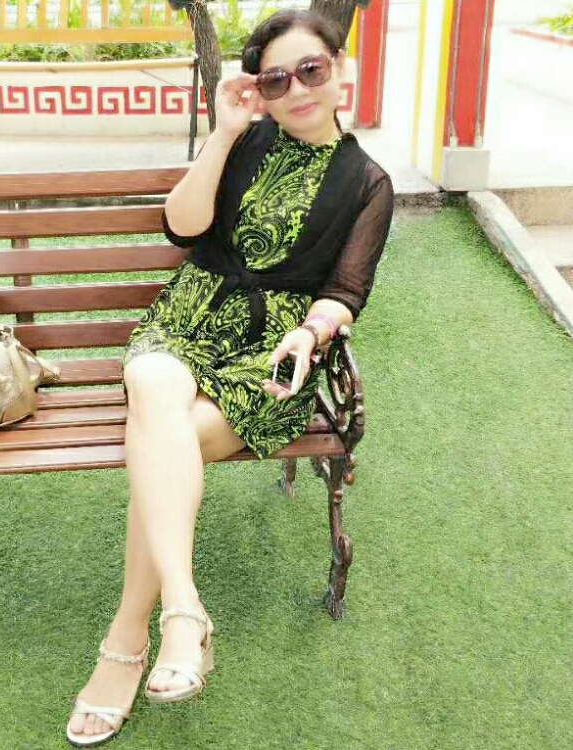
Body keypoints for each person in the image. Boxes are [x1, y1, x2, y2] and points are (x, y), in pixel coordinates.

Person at [66, 8, 394, 746]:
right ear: (260, 90)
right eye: (276, 80)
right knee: (156, 384)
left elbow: (346, 291)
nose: (296, 90)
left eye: (310, 70)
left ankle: (126, 641)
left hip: (269, 355)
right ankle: (183, 613)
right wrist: (221, 133)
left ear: (340, 69)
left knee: (165, 440)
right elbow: (182, 227)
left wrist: (311, 333)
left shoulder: (367, 182)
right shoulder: (245, 141)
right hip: (188, 319)